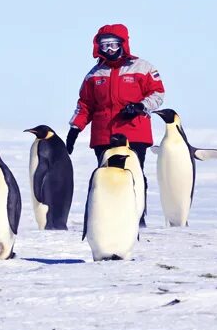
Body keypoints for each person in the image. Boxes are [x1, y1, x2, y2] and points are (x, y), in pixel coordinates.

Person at [66, 23, 165, 226]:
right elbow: (85, 104)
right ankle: (109, 220)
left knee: (134, 175)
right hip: (103, 135)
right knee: (105, 179)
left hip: (134, 133)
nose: (109, 50)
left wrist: (140, 106)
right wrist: (75, 128)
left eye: (113, 44)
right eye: (104, 46)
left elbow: (158, 93)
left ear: (123, 44)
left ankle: (137, 218)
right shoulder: (94, 74)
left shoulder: (143, 67)